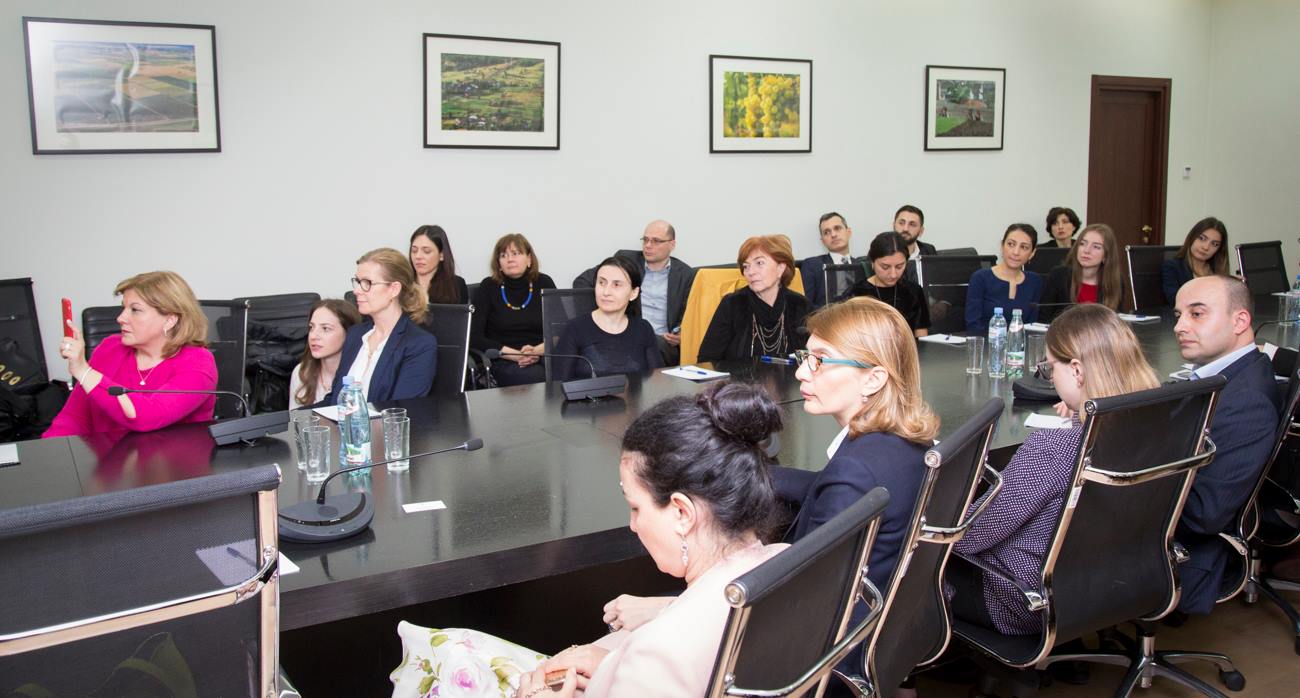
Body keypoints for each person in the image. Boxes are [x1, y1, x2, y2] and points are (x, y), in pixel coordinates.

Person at [388, 382, 789, 698]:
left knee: (442, 651)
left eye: (636, 507)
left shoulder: (660, 654)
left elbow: (664, 661)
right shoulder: (781, 563)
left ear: (682, 513)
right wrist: (611, 663)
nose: (633, 525)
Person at [949, 304, 1160, 634]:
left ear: (1077, 371)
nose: (1050, 378)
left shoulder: (1054, 448)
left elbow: (970, 536)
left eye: (1050, 369)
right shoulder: (1158, 428)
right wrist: (1079, 408)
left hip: (1022, 599)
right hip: (1116, 585)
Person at [1173, 275, 1281, 613]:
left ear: (1240, 321)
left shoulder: (1246, 401)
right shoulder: (1233, 373)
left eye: (1197, 314)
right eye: (1178, 315)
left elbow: (1205, 513)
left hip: (1182, 554)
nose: (1179, 326)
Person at [44, 271, 217, 438]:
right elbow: (74, 418)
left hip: (174, 459)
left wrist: (83, 371)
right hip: (109, 457)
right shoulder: (110, 348)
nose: (120, 318)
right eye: (124, 308)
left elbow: (147, 417)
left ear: (170, 320)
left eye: (135, 310)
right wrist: (48, 451)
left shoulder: (198, 362)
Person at [573, 220, 696, 365]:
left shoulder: (686, 274)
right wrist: (602, 316)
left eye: (656, 241)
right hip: (627, 332)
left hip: (663, 342)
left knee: (655, 344)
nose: (648, 245)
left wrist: (682, 334)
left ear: (672, 244)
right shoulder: (626, 260)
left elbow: (689, 313)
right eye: (645, 239)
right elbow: (581, 281)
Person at [328, 248, 437, 403]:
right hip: (342, 418)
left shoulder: (418, 344)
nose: (356, 291)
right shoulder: (355, 335)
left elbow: (401, 410)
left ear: (394, 289)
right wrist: (296, 414)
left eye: (367, 283)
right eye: (357, 282)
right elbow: (334, 399)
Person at [698, 235, 812, 362]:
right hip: (737, 375)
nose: (750, 272)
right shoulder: (732, 304)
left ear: (781, 268)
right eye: (746, 266)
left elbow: (815, 356)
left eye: (759, 263)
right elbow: (707, 360)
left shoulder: (800, 305)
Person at [554, 256, 663, 381]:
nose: (606, 292)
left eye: (616, 285)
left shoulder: (643, 329)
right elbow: (558, 385)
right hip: (588, 395)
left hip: (636, 395)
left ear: (633, 293)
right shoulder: (575, 329)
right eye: (601, 283)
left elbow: (657, 380)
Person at [471, 234, 558, 386]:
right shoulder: (488, 287)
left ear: (529, 259)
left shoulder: (544, 282)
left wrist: (536, 351)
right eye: (503, 255)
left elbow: (561, 329)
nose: (510, 259)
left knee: (569, 369)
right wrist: (515, 355)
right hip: (504, 359)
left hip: (543, 353)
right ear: (499, 264)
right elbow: (475, 336)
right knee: (535, 376)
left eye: (516, 253)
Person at [839, 232, 931, 337]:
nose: (893, 274)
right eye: (885, 267)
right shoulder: (856, 294)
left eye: (899, 266)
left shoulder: (914, 291)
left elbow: (921, 335)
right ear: (872, 262)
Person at [965, 224, 1044, 334]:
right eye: (1011, 244)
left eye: (1024, 247)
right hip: (986, 342)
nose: (1016, 252)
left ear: (1032, 253)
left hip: (1020, 344)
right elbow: (973, 326)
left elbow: (1032, 326)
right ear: (1002, 246)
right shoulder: (980, 278)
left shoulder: (1034, 281)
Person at [1038, 223, 1122, 322]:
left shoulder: (1115, 280)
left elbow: (1116, 320)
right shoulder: (1059, 276)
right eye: (1082, 244)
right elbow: (1043, 319)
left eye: (1096, 247)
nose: (1086, 250)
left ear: (1106, 256)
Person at [288, 299, 363, 408]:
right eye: (311, 327)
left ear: (349, 332)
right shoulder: (301, 372)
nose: (313, 336)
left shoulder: (362, 372)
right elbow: (295, 417)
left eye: (325, 329)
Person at [1162, 217, 1230, 305]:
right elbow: (1175, 301)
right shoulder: (1172, 267)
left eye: (1214, 244)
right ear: (1192, 237)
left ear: (1219, 249)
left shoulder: (1217, 271)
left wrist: (1233, 287)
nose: (1206, 247)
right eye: (1202, 238)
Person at [799, 211, 856, 307]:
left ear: (848, 232)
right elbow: (806, 306)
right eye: (826, 232)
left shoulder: (863, 265)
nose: (833, 235)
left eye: (837, 228)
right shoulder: (812, 265)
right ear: (823, 241)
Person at [408, 224, 469, 304]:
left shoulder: (456, 285)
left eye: (426, 251)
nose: (418, 256)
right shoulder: (402, 283)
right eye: (414, 251)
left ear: (441, 255)